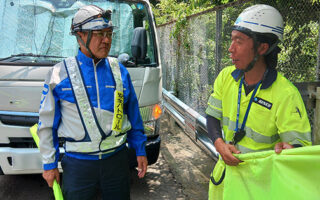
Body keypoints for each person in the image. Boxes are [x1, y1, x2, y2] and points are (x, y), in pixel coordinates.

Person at [37, 4, 148, 200]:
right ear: (80, 36)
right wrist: (49, 164)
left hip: (117, 162)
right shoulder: (58, 74)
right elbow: (46, 124)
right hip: (78, 167)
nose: (106, 40)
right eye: (99, 34)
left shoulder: (119, 70)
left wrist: (140, 149)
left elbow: (133, 114)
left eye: (109, 33)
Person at [205, 4, 312, 199]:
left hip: (258, 190)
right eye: (232, 40)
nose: (230, 49)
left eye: (239, 41)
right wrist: (219, 144)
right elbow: (212, 116)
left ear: (262, 47)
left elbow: (300, 148)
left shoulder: (285, 94)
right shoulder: (226, 77)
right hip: (223, 184)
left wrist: (291, 150)